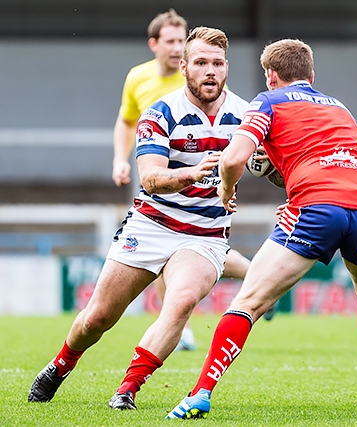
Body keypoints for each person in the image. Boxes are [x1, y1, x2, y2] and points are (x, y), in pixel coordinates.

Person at [166, 38, 357, 420]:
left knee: (249, 301)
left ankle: (200, 393)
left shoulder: (267, 101)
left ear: (271, 75)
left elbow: (233, 159)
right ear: (311, 76)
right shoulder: (340, 107)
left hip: (316, 208)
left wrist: (226, 192)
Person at [28, 26, 250, 411]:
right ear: (184, 67)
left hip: (206, 234)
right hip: (152, 225)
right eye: (200, 63)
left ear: (226, 67)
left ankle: (127, 389)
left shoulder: (248, 116)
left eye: (216, 63)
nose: (210, 71)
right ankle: (62, 364)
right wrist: (192, 173)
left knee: (180, 303)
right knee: (97, 318)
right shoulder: (160, 113)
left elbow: (278, 165)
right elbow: (150, 177)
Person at [111, 9, 259, 350]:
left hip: (204, 173)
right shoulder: (139, 79)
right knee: (166, 247)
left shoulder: (206, 73)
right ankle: (250, 279)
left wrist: (228, 180)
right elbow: (126, 121)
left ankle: (183, 323)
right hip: (157, 167)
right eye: (171, 41)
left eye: (182, 41)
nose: (178, 48)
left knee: (190, 246)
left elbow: (225, 124)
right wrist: (120, 160)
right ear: (155, 45)